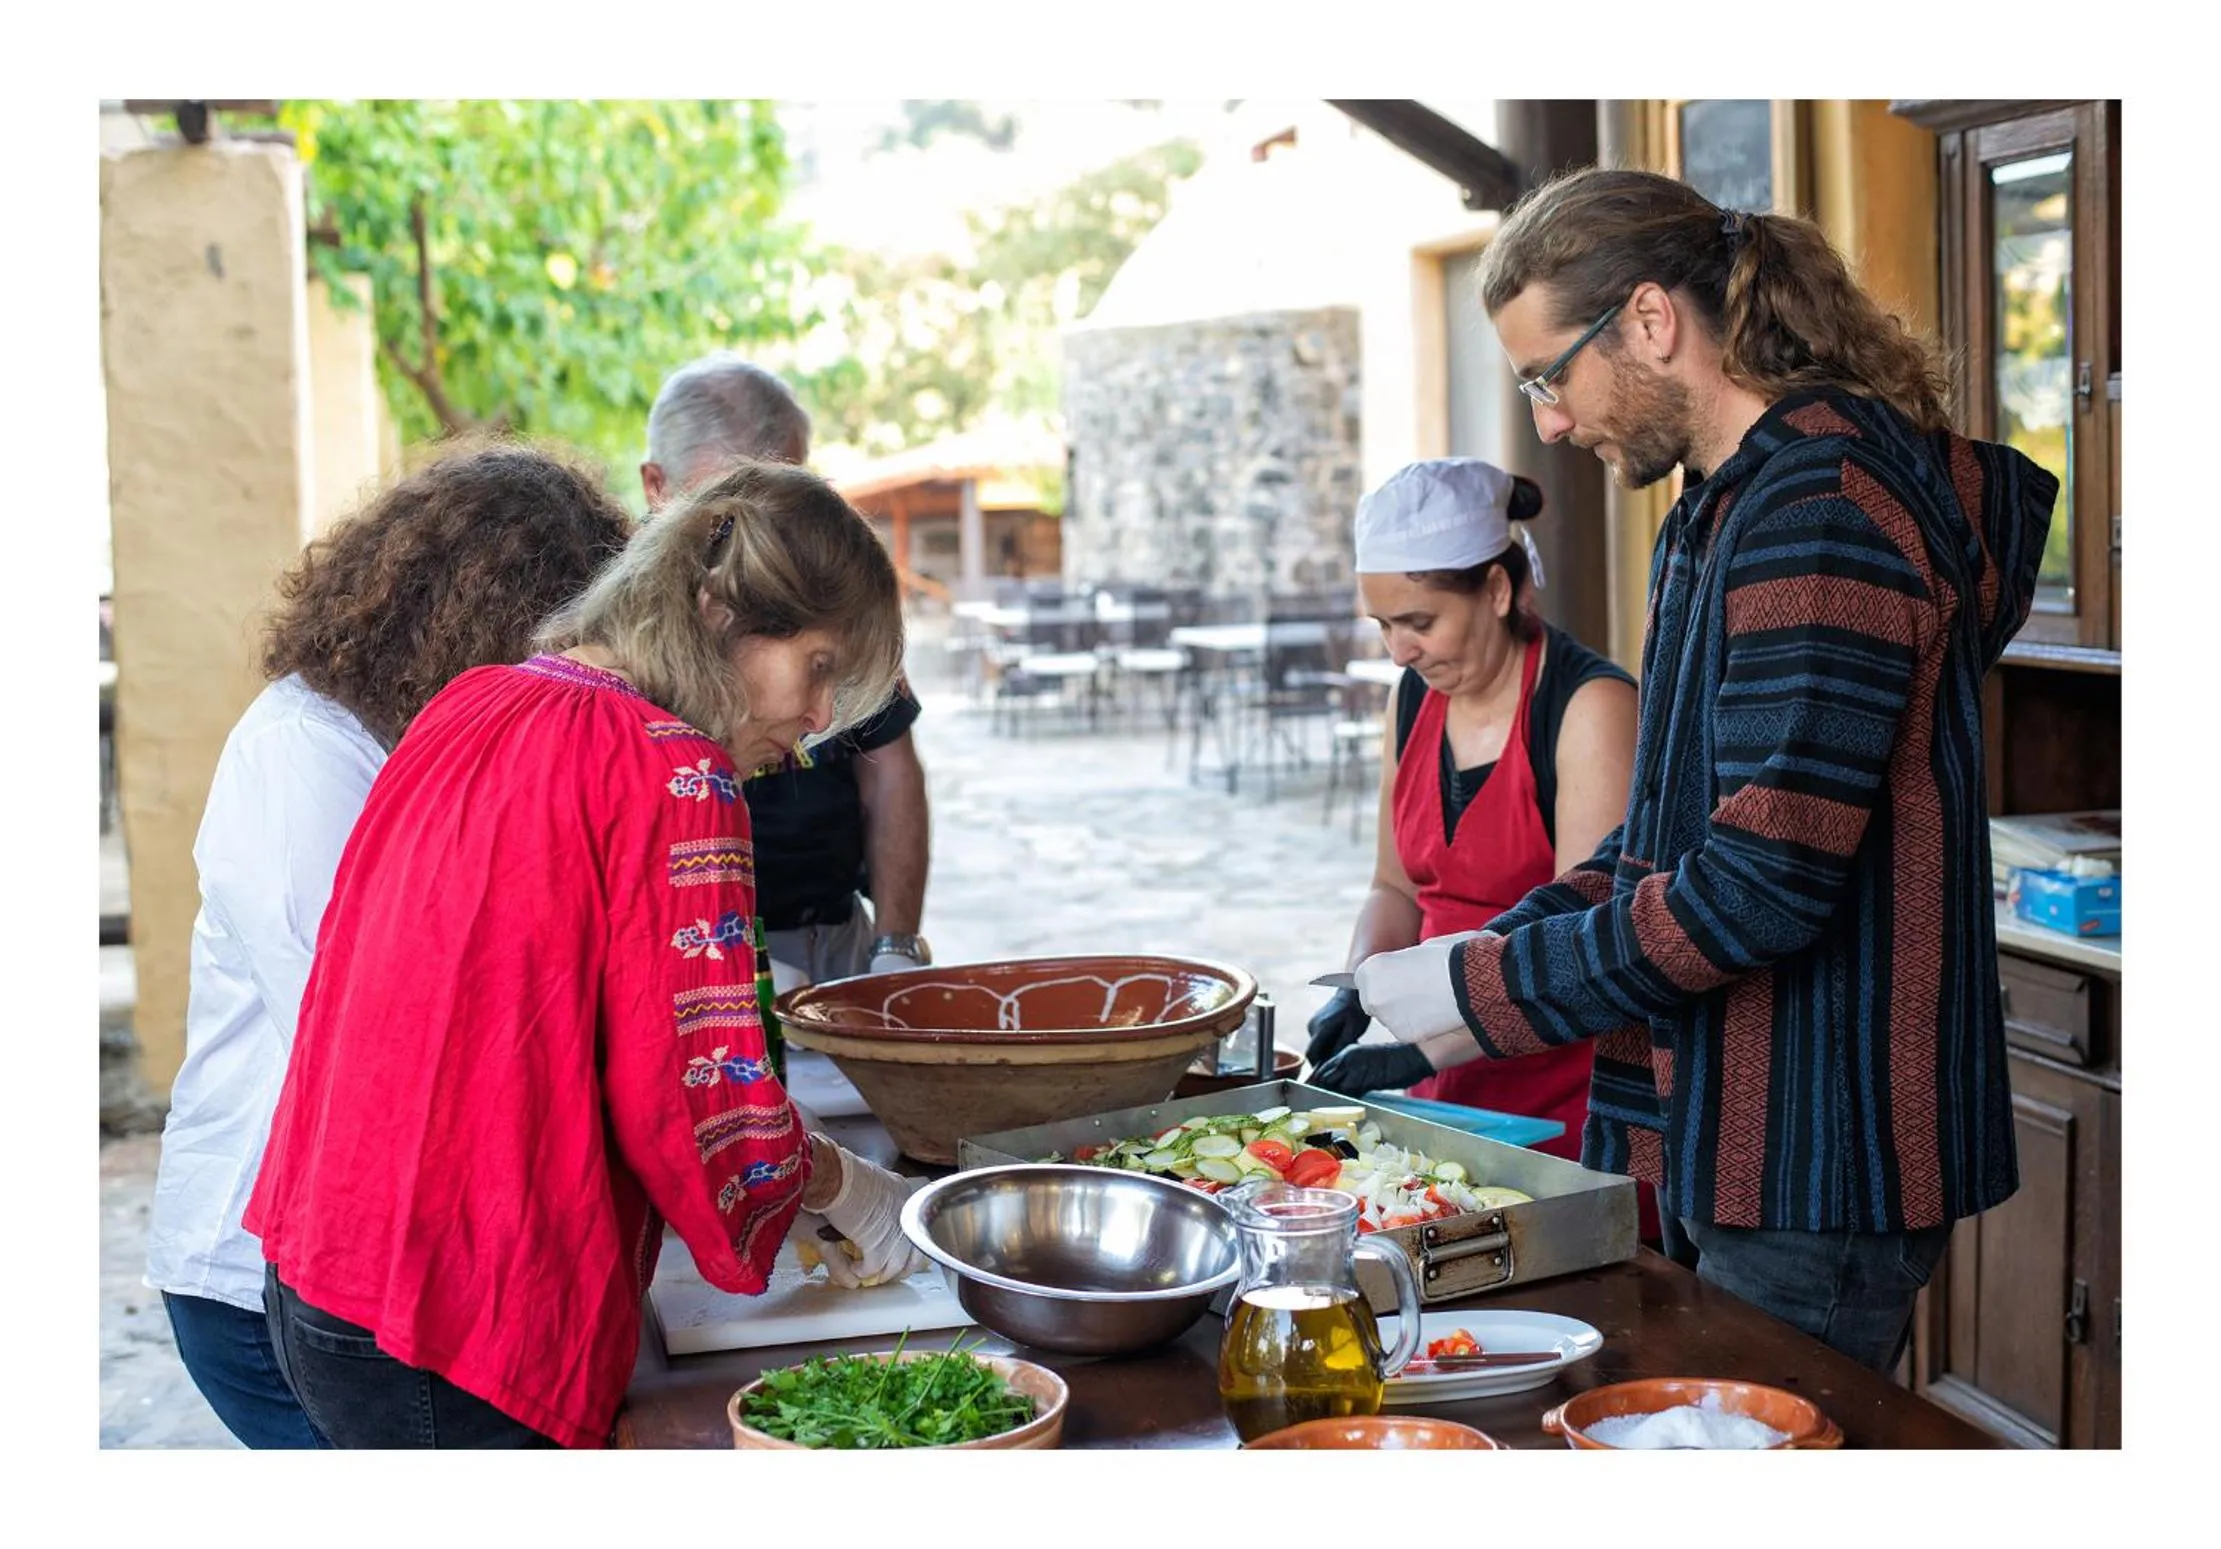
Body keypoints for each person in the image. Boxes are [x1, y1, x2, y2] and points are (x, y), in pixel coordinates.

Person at [1315, 167, 2055, 1375]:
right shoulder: (1723, 508)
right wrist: (1437, 984)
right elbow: (1657, 848)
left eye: (1549, 375)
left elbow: (1756, 885)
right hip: (1725, 1125)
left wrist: (1471, 986)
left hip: (1823, 1148)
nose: (1547, 422)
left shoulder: (1821, 510)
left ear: (1652, 321)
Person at [242, 460, 930, 1447]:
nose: (820, 720)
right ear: (718, 613)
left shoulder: (476, 698)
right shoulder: (676, 771)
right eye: (819, 667)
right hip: (462, 1321)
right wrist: (837, 1185)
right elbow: (700, 1099)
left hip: (321, 1276)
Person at [142, 441, 633, 1449]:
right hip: (261, 1287)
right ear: (476, 621)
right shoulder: (303, 752)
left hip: (388, 1258)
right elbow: (391, 1031)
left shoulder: (418, 739)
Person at [1304, 457, 1636, 1178]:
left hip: (1562, 1104)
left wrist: (1416, 1046)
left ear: (1494, 588)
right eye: (1383, 625)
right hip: (1436, 1096)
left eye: (1419, 622)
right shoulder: (1414, 697)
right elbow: (1394, 887)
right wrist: (1357, 986)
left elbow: (1578, 944)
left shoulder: (1589, 710)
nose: (1399, 650)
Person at [643, 353, 932, 986]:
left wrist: (896, 943)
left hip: (835, 931)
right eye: (730, 506)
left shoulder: (828, 582)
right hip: (687, 954)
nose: (768, 534)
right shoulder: (622, 632)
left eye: (788, 497)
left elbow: (889, 765)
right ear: (656, 488)